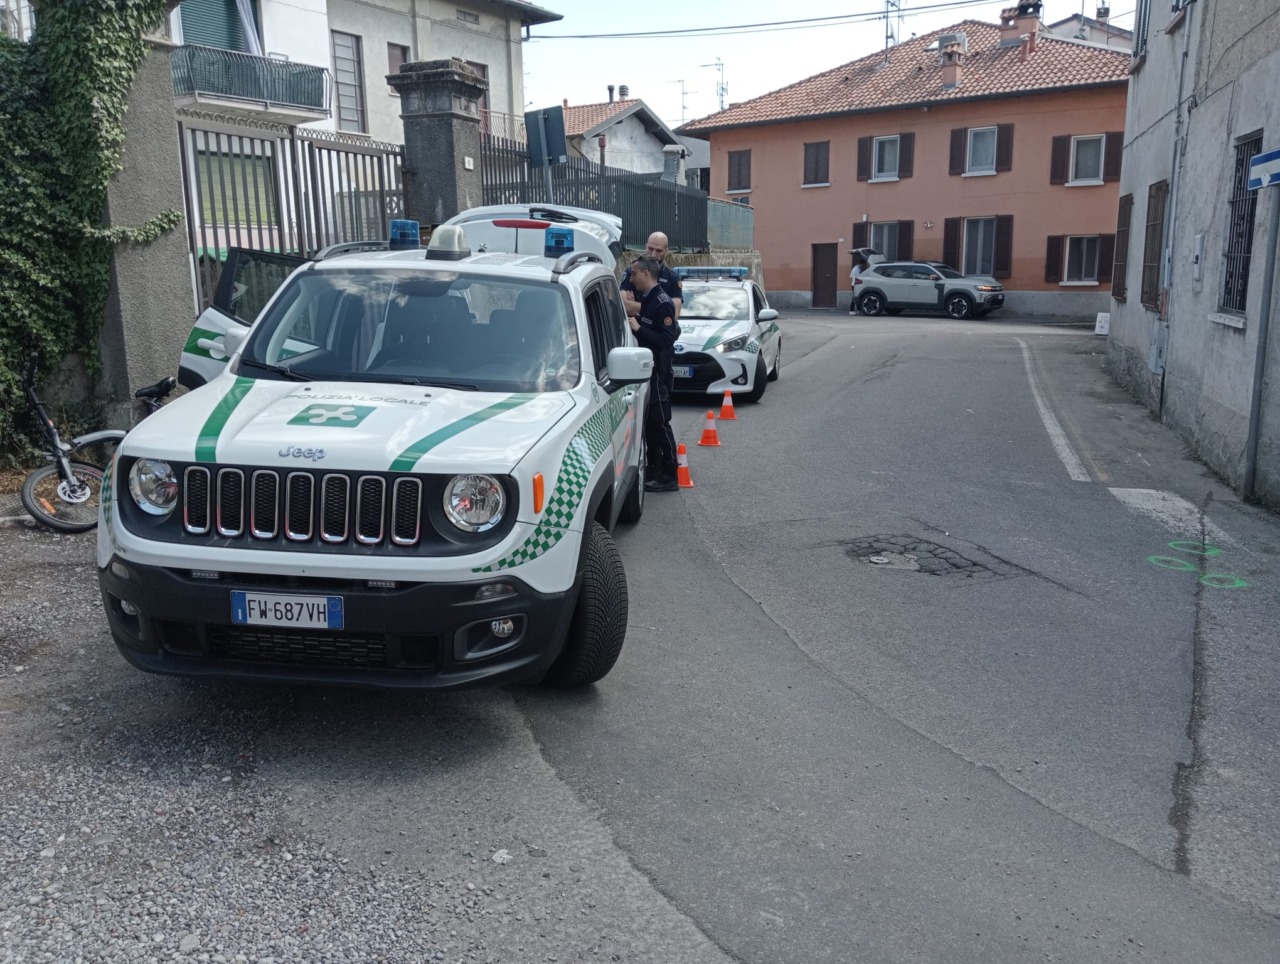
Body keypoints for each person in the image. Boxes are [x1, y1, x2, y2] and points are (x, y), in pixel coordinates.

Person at [626, 257, 680, 493]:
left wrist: (638, 329)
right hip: (648, 371)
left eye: (634, 273)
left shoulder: (662, 302)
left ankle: (670, 474)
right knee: (649, 424)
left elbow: (666, 340)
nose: (631, 278)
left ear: (646, 274)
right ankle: (655, 468)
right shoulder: (647, 299)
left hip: (658, 373)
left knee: (660, 424)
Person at [621, 231, 683, 321]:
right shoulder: (632, 272)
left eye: (659, 251)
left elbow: (673, 315)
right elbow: (625, 306)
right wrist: (661, 309)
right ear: (646, 247)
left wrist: (636, 305)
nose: (653, 254)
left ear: (666, 251)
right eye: (650, 249)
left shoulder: (673, 278)